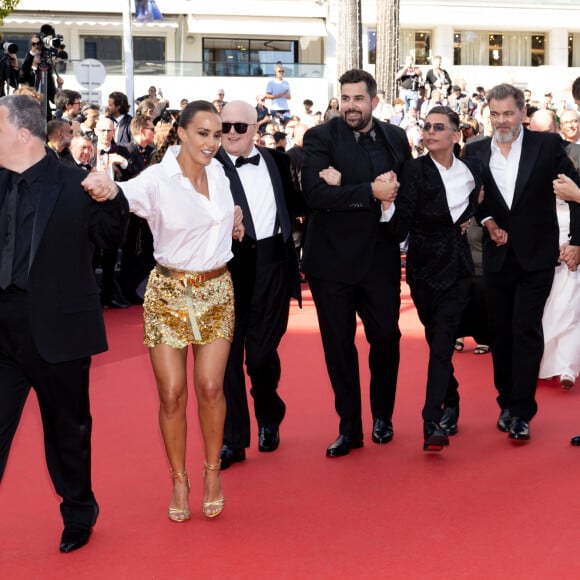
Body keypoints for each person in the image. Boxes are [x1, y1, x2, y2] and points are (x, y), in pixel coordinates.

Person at [82, 100, 244, 522]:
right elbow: (123, 192)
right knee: (172, 395)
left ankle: (211, 472)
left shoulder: (222, 174)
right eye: (203, 133)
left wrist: (234, 219)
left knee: (211, 387)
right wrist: (104, 183)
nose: (212, 142)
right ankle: (178, 478)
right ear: (183, 133)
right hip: (169, 293)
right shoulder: (157, 179)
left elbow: (218, 215)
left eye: (217, 133)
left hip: (217, 290)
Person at [0, 94, 129, 552]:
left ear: (21, 133)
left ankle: (78, 512)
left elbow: (112, 237)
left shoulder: (76, 184)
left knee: (67, 432)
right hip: (3, 325)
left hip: (56, 327)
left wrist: (114, 196)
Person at [301, 68, 411, 457]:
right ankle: (350, 428)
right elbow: (314, 195)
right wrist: (370, 190)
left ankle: (383, 414)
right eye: (345, 98)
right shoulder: (319, 138)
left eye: (358, 99)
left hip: (379, 259)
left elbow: (404, 191)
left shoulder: (395, 138)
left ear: (374, 101)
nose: (351, 106)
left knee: (386, 338)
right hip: (329, 263)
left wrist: (344, 186)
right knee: (339, 347)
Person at [463, 83, 580, 442]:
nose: (502, 121)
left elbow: (574, 191)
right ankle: (506, 401)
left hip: (538, 257)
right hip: (497, 257)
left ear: (522, 114)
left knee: (526, 329)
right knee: (500, 332)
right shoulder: (476, 151)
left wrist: (577, 241)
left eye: (508, 113)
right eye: (495, 114)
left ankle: (522, 411)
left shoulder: (546, 146)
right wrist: (488, 222)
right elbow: (475, 200)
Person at [215, 100, 302, 469]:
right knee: (227, 360)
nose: (231, 133)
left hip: (273, 266)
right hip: (226, 269)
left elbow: (299, 202)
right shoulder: (207, 166)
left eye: (240, 126)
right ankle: (234, 439)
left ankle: (269, 414)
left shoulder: (278, 161)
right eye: (225, 127)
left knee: (262, 357)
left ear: (255, 128)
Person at [392, 106, 482, 450]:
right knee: (435, 338)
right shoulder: (413, 170)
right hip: (422, 267)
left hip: (457, 267)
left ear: (455, 135)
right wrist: (386, 209)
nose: (430, 132)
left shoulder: (473, 170)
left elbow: (480, 202)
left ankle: (433, 419)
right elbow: (403, 220)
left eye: (439, 127)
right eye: (426, 127)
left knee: (443, 342)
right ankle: (453, 398)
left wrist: (477, 218)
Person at [528, 108, 580, 391]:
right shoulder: (519, 153)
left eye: (545, 133)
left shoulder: (572, 153)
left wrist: (577, 241)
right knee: (545, 303)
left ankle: (567, 366)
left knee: (570, 301)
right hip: (538, 238)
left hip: (570, 231)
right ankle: (543, 361)